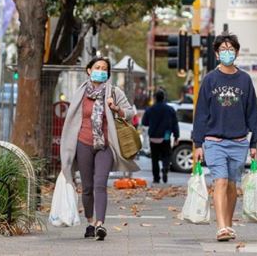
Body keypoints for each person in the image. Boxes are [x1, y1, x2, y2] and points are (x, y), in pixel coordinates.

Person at [59, 56, 140, 241]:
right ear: (89, 70)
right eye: (97, 67)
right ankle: (90, 221)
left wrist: (116, 108)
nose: (101, 70)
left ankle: (100, 224)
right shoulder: (80, 92)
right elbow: (72, 120)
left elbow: (129, 113)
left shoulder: (114, 92)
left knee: (100, 184)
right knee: (87, 187)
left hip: (105, 145)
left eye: (104, 68)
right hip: (83, 143)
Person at [192, 32, 257, 242]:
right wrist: (197, 143)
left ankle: (228, 225)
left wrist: (254, 143)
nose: (227, 53)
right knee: (219, 181)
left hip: (239, 142)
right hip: (214, 141)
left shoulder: (245, 80)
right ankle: (221, 227)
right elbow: (201, 112)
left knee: (232, 186)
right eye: (223, 50)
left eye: (231, 49)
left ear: (237, 52)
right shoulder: (210, 79)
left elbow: (252, 112)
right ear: (216, 53)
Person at [141, 90, 179, 183]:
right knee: (166, 155)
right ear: (164, 98)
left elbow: (144, 122)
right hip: (165, 136)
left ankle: (156, 178)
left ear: (155, 98)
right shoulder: (170, 109)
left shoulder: (150, 109)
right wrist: (176, 136)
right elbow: (175, 124)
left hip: (153, 137)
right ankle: (165, 167)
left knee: (154, 159)